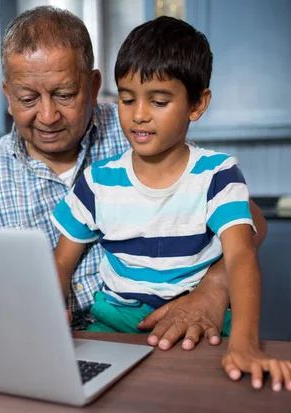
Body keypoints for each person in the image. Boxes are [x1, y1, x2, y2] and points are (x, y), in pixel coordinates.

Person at [0, 6, 267, 357]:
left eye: (64, 95)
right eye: (27, 98)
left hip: (167, 334)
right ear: (8, 96)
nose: (47, 116)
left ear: (94, 85)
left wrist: (214, 287)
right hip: (50, 346)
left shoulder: (140, 132)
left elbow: (250, 224)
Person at [52, 16, 290, 391]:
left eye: (159, 101)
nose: (139, 113)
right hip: (111, 326)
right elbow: (62, 260)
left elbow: (242, 257)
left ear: (197, 104)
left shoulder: (217, 176)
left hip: (197, 327)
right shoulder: (97, 182)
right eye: (127, 99)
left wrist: (245, 345)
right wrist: (48, 312)